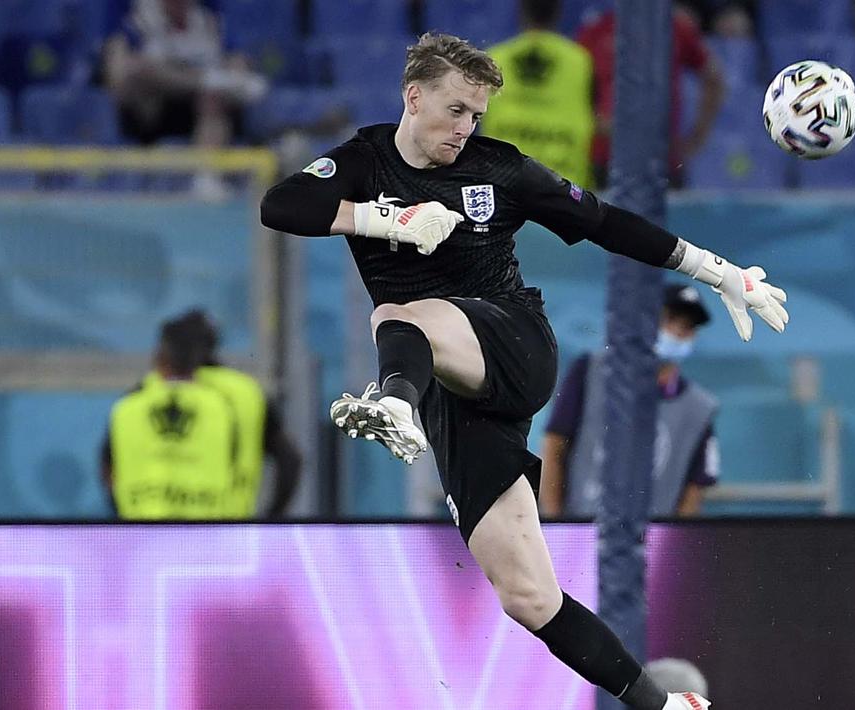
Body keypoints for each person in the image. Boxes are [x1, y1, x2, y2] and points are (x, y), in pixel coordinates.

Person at [260, 32, 787, 710]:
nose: (464, 128)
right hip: (453, 391)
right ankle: (665, 705)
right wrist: (382, 219)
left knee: (396, 311)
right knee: (528, 597)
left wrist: (716, 271)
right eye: (454, 111)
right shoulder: (364, 162)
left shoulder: (499, 172)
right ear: (412, 97)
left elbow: (603, 221)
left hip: (514, 345)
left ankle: (392, 401)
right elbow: (281, 206)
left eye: (475, 115)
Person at [540, 284, 719, 519]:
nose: (676, 332)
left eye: (687, 327)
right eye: (670, 319)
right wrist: (557, 525)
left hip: (654, 543)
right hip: (581, 534)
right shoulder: (590, 372)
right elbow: (554, 448)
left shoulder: (700, 407)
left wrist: (673, 543)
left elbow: (696, 487)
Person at [102, 0, 267, 198]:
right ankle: (207, 82)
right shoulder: (136, 15)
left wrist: (237, 76)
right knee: (137, 71)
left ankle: (206, 177)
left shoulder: (209, 13)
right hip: (151, 111)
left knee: (214, 98)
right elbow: (118, 77)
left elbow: (236, 60)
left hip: (202, 109)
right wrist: (199, 79)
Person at [101, 316, 238, 519]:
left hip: (141, 535)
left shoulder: (127, 408)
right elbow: (234, 466)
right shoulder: (221, 409)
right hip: (205, 537)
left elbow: (108, 471)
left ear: (159, 356)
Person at [577, 4, 726, 187]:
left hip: (662, 160)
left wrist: (698, 135)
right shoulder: (596, 30)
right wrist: (597, 122)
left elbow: (714, 79)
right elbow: (574, 87)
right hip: (605, 159)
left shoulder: (675, 27)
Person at [175, 309, 302, 519]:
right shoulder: (246, 393)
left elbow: (111, 464)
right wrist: (274, 515)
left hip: (156, 532)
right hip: (231, 531)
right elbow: (290, 459)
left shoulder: (152, 391)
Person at [482, 0, 595, 187]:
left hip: (503, 183)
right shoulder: (580, 61)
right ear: (558, 13)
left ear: (521, 12)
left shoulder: (495, 57)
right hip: (564, 190)